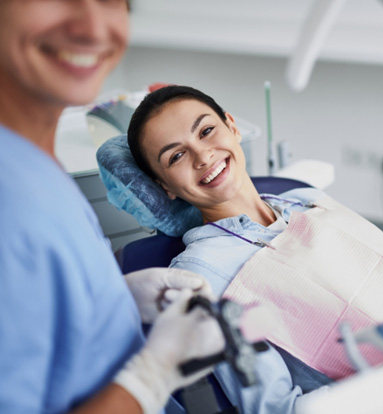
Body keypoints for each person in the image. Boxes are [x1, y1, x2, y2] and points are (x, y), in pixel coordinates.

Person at [0, 2, 226, 414]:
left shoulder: (36, 164)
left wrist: (108, 301)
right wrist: (153, 375)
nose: (92, 28)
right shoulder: (10, 199)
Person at [127, 85, 383, 396]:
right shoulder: (202, 275)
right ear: (165, 186)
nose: (203, 155)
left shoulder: (306, 200)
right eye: (177, 155)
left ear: (232, 126)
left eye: (207, 131)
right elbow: (275, 407)